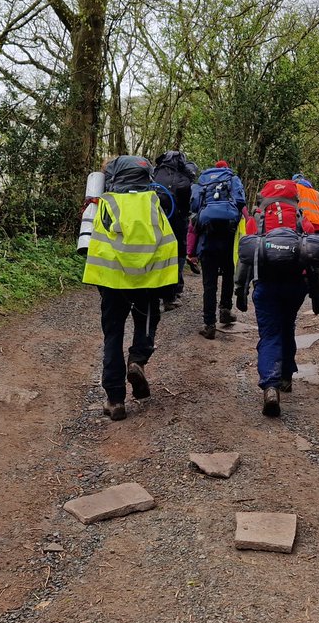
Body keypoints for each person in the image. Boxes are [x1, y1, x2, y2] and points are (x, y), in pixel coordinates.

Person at [82, 155, 179, 421]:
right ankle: (137, 360)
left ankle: (115, 401)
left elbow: (94, 244)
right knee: (146, 322)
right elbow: (169, 244)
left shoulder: (104, 204)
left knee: (112, 336)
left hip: (112, 282)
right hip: (146, 283)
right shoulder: (153, 203)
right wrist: (167, 289)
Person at [236, 178, 319, 417]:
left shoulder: (256, 220)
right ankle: (286, 376)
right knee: (288, 326)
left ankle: (270, 385)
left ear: (264, 198)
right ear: (292, 197)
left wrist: (240, 290)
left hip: (266, 286)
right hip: (296, 286)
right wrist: (318, 295)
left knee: (270, 334)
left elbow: (246, 259)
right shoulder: (300, 219)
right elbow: (313, 259)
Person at [187, 160, 246, 339]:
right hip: (228, 237)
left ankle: (209, 324)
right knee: (228, 274)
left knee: (209, 283)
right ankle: (225, 311)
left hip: (207, 238)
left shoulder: (203, 183)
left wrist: (191, 251)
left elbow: (194, 207)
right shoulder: (233, 180)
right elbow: (241, 202)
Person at [152, 150, 195, 309]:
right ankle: (170, 296)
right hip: (176, 224)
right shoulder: (183, 178)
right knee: (175, 257)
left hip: (155, 222)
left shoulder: (155, 173)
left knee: (156, 255)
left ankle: (153, 293)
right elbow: (186, 207)